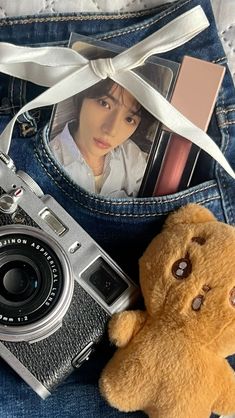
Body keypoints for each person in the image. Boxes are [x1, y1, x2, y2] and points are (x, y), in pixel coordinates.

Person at [49, 79, 155, 197]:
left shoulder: (133, 159)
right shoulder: (49, 162)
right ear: (82, 95)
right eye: (104, 103)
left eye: (129, 119)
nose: (111, 131)